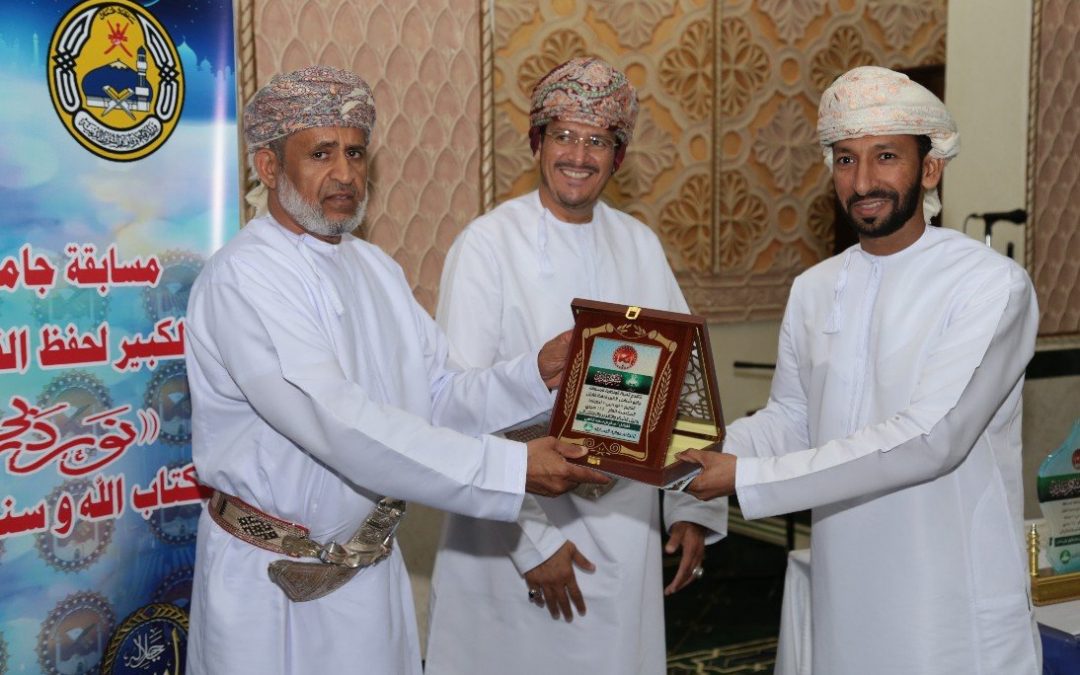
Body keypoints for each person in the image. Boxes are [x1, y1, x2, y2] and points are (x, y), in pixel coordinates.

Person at [183, 65, 608, 675]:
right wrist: (511, 469)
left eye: (355, 152)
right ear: (269, 167)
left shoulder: (374, 268)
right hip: (269, 588)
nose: (345, 173)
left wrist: (533, 374)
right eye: (321, 153)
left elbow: (436, 394)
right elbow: (340, 425)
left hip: (370, 576)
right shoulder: (244, 277)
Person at [680, 65, 1041, 674]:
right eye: (846, 160)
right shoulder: (815, 287)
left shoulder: (990, 286)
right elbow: (793, 418)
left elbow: (932, 438)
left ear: (930, 168)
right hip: (844, 589)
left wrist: (745, 478)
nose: (864, 180)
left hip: (949, 602)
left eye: (886, 157)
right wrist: (694, 452)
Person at [424, 57, 728, 675]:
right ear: (537, 142)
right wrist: (531, 544)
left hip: (626, 525)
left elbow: (685, 389)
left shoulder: (639, 242)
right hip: (511, 532)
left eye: (598, 141)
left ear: (618, 157)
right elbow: (452, 405)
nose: (579, 156)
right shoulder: (487, 245)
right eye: (564, 135)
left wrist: (692, 506)